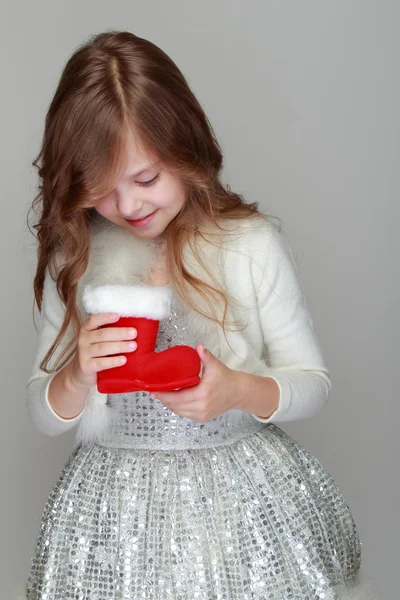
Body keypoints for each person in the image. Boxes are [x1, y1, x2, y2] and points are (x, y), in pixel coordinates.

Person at [23, 30, 374, 600]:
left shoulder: (248, 245)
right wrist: (74, 375)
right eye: (101, 190)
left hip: (233, 504)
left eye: (145, 179)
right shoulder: (80, 256)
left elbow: (313, 383)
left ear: (186, 149)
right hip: (113, 513)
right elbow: (44, 412)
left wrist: (237, 390)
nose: (129, 207)